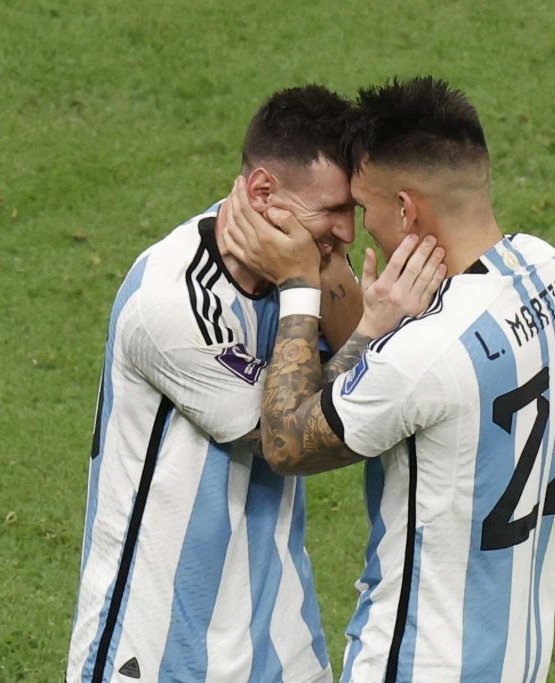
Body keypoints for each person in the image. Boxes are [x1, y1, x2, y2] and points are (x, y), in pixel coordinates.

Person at [222, 77, 555, 682]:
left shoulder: (423, 356)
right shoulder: (550, 271)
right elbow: (421, 360)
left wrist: (299, 288)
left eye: (364, 209)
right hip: (517, 656)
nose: (358, 228)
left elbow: (286, 441)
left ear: (406, 209)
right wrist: (370, 312)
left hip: (421, 661)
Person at [66, 85, 366, 683]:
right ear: (262, 193)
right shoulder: (173, 304)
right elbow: (298, 439)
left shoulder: (301, 258)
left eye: (352, 210)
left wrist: (324, 277)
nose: (349, 232)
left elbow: (369, 368)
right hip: (160, 651)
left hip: (280, 634)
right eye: (332, 210)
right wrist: (315, 290)